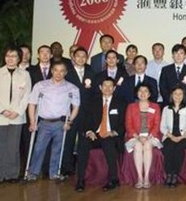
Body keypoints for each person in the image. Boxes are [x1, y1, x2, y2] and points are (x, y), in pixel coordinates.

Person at [26, 61, 80, 181]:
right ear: (52, 71)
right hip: (44, 123)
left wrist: (69, 121)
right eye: (56, 70)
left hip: (60, 123)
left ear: (65, 73)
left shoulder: (72, 88)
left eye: (62, 71)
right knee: (38, 148)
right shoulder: (40, 85)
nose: (58, 73)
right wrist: (32, 122)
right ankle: (33, 172)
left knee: (57, 150)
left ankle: (54, 173)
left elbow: (76, 106)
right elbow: (32, 104)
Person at [0, 46, 32, 185]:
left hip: (17, 116)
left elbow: (27, 95)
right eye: (8, 56)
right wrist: (2, 110)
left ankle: (12, 174)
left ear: (19, 59)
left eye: (14, 56)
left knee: (13, 147)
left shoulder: (25, 74)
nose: (10, 59)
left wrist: (17, 111)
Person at [75, 77, 125, 192]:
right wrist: (89, 131)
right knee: (83, 143)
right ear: (100, 88)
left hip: (111, 135)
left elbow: (124, 123)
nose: (107, 88)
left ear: (114, 88)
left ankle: (113, 179)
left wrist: (113, 132)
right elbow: (85, 120)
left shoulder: (121, 103)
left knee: (108, 143)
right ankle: (81, 179)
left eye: (110, 86)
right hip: (95, 135)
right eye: (105, 86)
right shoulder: (93, 102)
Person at [61, 47, 96, 177]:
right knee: (68, 140)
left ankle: (83, 167)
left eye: (83, 56)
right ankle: (67, 167)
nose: (81, 59)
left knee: (84, 141)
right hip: (70, 112)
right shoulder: (67, 74)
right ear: (73, 58)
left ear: (86, 58)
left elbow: (95, 94)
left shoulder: (92, 72)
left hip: (87, 112)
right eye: (78, 56)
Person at [125, 83, 162, 189]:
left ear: (149, 94)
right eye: (140, 91)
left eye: (146, 91)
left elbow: (157, 124)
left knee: (147, 145)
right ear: (137, 93)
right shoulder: (131, 107)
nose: (143, 93)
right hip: (135, 136)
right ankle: (139, 178)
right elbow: (128, 124)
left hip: (151, 136)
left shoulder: (155, 106)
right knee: (137, 145)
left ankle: (146, 178)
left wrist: (149, 137)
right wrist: (137, 137)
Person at [160, 86, 186, 187]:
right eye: (175, 94)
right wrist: (170, 136)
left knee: (179, 149)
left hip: (185, 136)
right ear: (172, 95)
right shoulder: (166, 108)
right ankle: (169, 175)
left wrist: (181, 136)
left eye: (180, 94)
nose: (178, 96)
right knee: (168, 148)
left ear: (183, 96)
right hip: (169, 136)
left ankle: (175, 175)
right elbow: (162, 126)